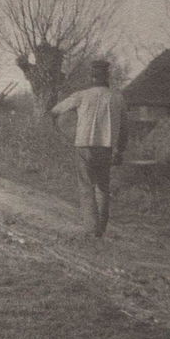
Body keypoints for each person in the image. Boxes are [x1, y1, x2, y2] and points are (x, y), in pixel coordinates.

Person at [51, 60, 126, 238]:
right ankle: (100, 229)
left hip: (84, 145)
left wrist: (63, 132)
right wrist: (120, 150)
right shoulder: (117, 97)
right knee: (102, 187)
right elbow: (124, 128)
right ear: (107, 76)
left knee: (86, 186)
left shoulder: (81, 95)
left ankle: (91, 230)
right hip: (107, 147)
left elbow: (55, 111)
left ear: (91, 76)